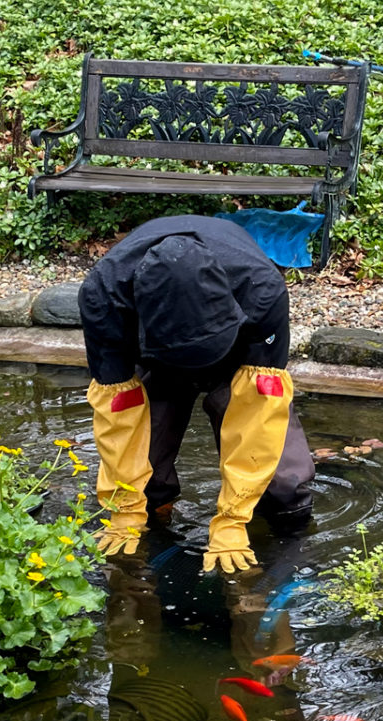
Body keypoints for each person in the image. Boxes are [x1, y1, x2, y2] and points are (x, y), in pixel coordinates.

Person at [79, 215, 315, 574]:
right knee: (147, 475)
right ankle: (153, 537)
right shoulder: (104, 298)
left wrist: (233, 517)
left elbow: (260, 410)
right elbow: (118, 409)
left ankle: (290, 542)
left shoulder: (262, 289)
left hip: (237, 357)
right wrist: (124, 506)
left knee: (282, 482)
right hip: (157, 358)